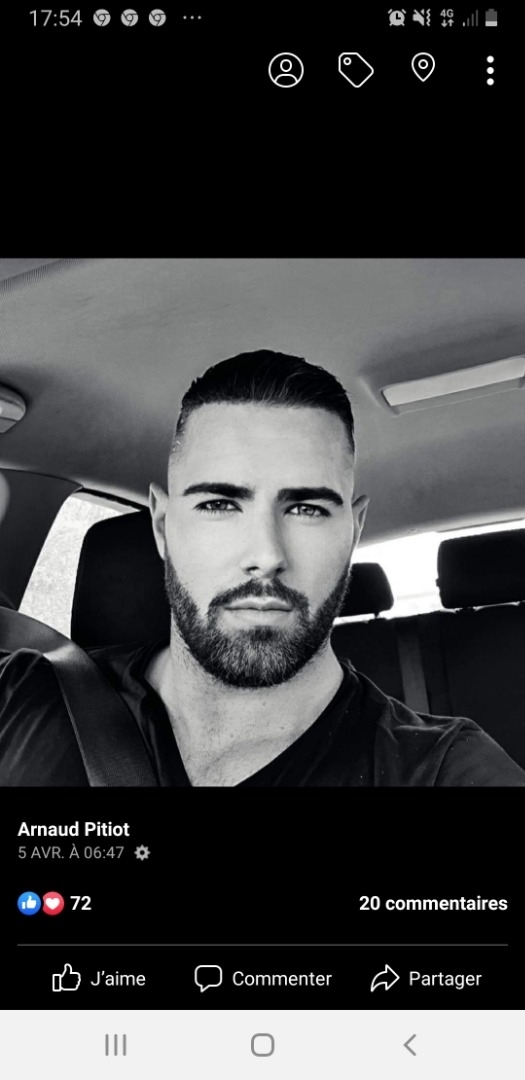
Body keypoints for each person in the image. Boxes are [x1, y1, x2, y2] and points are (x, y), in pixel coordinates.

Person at [1, 350, 524, 786]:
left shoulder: (443, 770)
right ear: (162, 526)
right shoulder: (25, 697)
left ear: (353, 532)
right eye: (219, 504)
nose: (267, 554)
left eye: (307, 509)